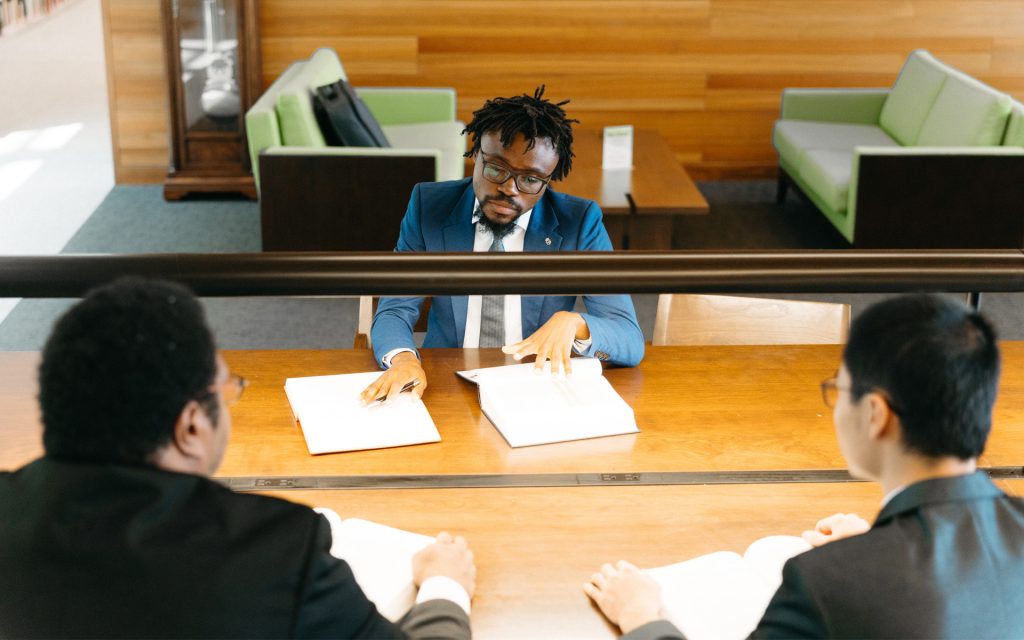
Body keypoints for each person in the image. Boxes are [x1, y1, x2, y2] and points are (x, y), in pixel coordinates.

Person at [0, 278, 476, 639]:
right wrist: (444, 587)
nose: (231, 399)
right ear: (190, 426)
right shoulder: (284, 553)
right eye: (229, 389)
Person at [584, 293, 1024, 638]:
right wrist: (882, 542)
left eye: (839, 389)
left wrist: (641, 618)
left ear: (876, 414)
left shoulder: (826, 582)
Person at [361, 87, 645, 404]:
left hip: (535, 389)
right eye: (496, 168)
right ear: (475, 154)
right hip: (445, 383)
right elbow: (394, 309)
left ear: (549, 179)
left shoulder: (578, 222)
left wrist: (576, 322)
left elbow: (630, 340)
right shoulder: (430, 205)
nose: (509, 189)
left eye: (530, 179)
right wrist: (403, 359)